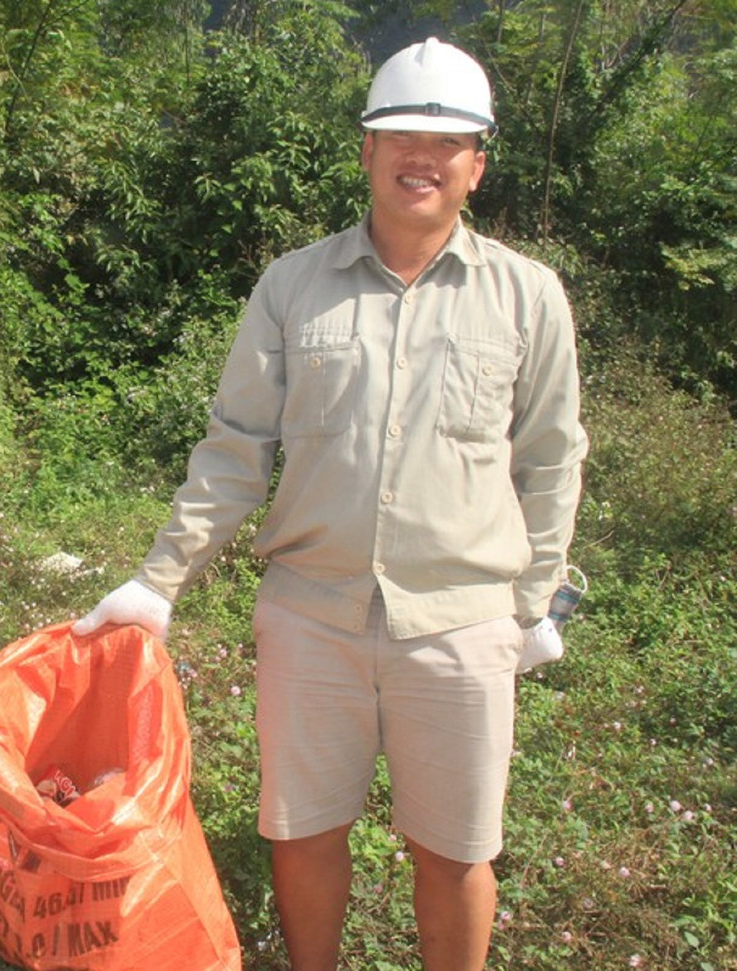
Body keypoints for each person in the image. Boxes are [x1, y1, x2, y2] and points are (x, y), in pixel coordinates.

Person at [74, 38, 588, 971]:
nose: (418, 156)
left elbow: (550, 461)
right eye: (397, 134)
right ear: (365, 149)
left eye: (446, 141)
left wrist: (536, 601)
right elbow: (235, 448)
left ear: (478, 160)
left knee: (458, 849)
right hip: (312, 614)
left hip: (463, 622)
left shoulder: (528, 296)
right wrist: (158, 581)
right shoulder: (292, 285)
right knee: (303, 832)